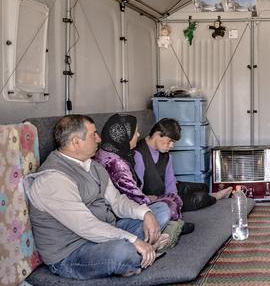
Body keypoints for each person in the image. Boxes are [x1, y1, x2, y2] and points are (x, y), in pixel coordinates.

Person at [24, 115, 171, 279]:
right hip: (73, 252)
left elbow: (117, 201)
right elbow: (87, 226)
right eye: (93, 135)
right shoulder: (52, 179)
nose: (99, 139)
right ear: (76, 142)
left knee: (161, 210)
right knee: (122, 251)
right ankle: (142, 251)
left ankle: (141, 253)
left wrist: (146, 214)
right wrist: (133, 240)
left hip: (106, 232)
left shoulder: (93, 165)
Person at [134, 118, 232, 225]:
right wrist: (166, 202)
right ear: (158, 134)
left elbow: (170, 180)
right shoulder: (138, 154)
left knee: (202, 186)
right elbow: (136, 191)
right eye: (170, 141)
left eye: (174, 142)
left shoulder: (166, 154)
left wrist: (173, 198)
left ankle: (208, 194)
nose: (172, 146)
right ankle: (215, 196)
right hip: (155, 199)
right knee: (199, 198)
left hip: (166, 191)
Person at [94, 113, 183, 221]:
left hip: (129, 203)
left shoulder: (117, 154)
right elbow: (134, 196)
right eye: (135, 132)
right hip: (125, 210)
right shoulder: (116, 163)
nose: (138, 134)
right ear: (123, 135)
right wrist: (154, 199)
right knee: (166, 207)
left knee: (182, 195)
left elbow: (170, 182)